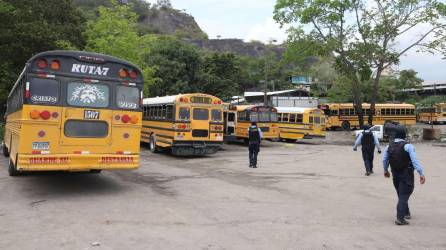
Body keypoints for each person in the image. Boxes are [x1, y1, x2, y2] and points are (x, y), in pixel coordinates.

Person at [383, 126, 426, 226]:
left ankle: (406, 213)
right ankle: (400, 218)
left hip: (395, 174)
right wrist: (421, 173)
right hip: (406, 174)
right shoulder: (408, 146)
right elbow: (415, 161)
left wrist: (385, 170)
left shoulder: (389, 146)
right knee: (404, 194)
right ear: (404, 135)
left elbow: (384, 159)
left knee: (401, 193)